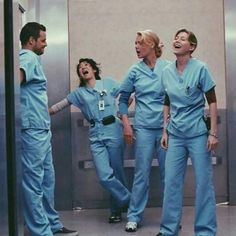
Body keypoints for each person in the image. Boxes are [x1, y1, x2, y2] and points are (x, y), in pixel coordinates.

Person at [49, 58, 131, 223]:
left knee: (117, 172)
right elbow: (59, 106)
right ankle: (131, 202)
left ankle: (115, 211)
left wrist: (122, 113)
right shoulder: (79, 93)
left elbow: (127, 95)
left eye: (86, 65)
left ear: (94, 69)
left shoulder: (107, 83)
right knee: (105, 176)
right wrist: (38, 113)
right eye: (80, 68)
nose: (83, 68)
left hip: (113, 130)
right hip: (96, 134)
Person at [156, 28, 218, 236]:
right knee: (171, 182)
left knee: (203, 183)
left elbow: (212, 101)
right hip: (175, 134)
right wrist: (165, 131)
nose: (177, 40)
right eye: (176, 37)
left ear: (191, 46)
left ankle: (205, 231)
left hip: (198, 133)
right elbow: (167, 101)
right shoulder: (166, 71)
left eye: (182, 39)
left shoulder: (200, 68)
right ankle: (168, 230)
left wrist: (213, 133)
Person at [19, 22, 78, 236]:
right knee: (34, 182)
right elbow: (13, 82)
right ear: (31, 41)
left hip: (41, 129)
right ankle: (40, 231)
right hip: (32, 129)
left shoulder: (33, 59)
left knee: (46, 180)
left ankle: (52, 225)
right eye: (42, 40)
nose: (45, 43)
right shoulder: (27, 57)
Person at [118, 30, 170, 232]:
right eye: (135, 43)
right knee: (141, 174)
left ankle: (170, 217)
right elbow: (122, 100)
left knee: (170, 175)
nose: (136, 46)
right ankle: (134, 216)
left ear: (152, 45)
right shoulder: (134, 71)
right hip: (144, 128)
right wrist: (126, 124)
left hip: (167, 128)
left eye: (140, 43)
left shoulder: (168, 68)